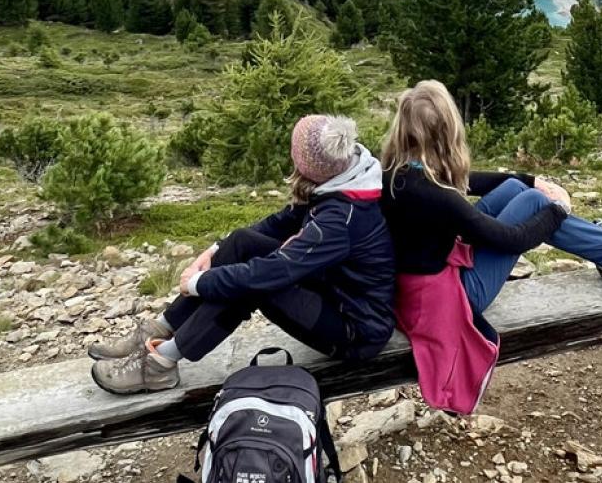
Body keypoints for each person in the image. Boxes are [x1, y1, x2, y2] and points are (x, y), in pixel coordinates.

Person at [379, 80, 602, 413]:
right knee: (534, 203)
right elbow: (511, 240)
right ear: (447, 132)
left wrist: (529, 178)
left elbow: (469, 180)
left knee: (516, 189)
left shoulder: (396, 171)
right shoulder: (434, 195)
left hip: (421, 279)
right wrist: (557, 209)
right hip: (450, 295)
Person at [88, 115, 395, 394]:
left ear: (307, 164)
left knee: (252, 286)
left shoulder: (340, 219)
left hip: (354, 330)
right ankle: (161, 328)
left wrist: (199, 283)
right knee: (242, 241)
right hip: (333, 292)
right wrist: (215, 250)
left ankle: (159, 366)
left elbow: (269, 273)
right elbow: (281, 222)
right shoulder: (345, 175)